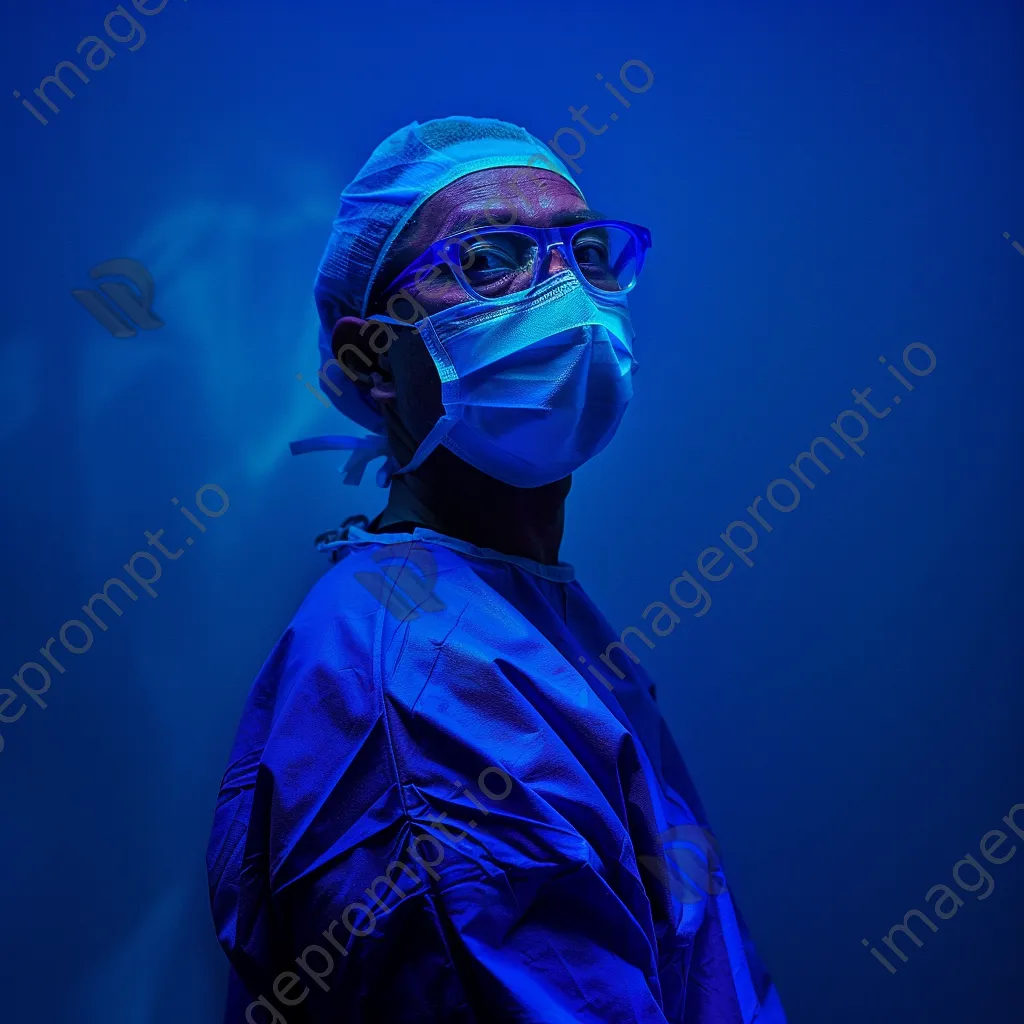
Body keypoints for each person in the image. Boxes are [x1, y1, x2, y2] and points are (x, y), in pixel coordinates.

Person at [207, 115, 787, 1024]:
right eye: (490, 260)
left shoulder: (506, 609)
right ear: (373, 361)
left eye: (589, 251)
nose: (568, 298)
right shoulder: (422, 690)